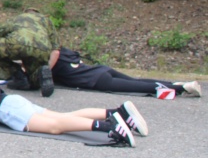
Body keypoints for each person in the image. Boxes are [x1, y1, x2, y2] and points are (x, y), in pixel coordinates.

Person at [0, 30, 145, 146]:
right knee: (63, 117)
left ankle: (110, 127)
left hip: (7, 109)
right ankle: (117, 113)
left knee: (56, 126)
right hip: (11, 103)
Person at [50, 46, 202, 98]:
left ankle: (182, 88)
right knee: (136, 82)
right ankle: (176, 84)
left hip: (98, 80)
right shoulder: (61, 49)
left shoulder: (50, 63)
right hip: (101, 69)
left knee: (138, 87)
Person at [0, 10, 59, 97]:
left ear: (26, 12)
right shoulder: (46, 21)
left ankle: (18, 75)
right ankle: (39, 73)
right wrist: (47, 67)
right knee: (33, 82)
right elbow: (56, 50)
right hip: (42, 49)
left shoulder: (18, 17)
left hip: (17, 44)